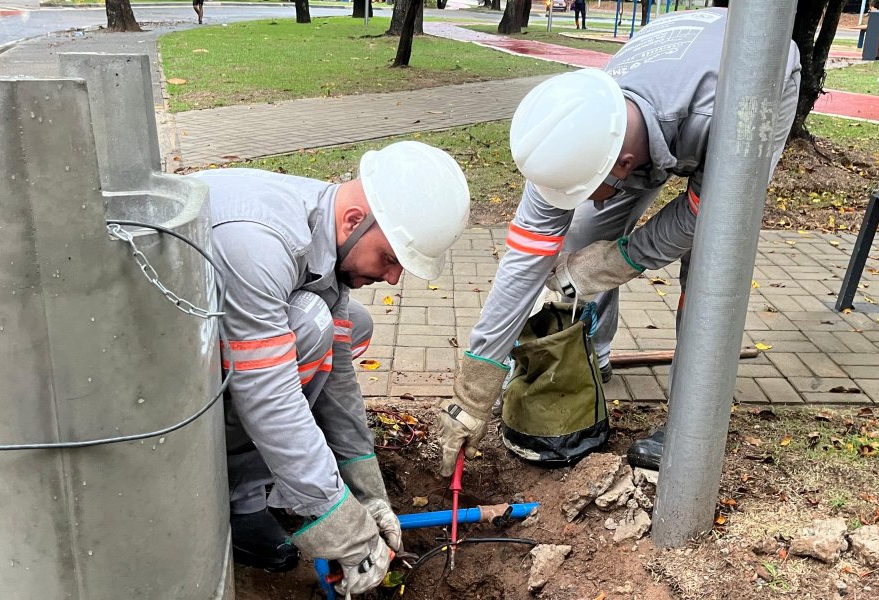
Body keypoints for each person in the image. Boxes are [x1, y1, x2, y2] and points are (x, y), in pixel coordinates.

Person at [435, 6, 801, 477]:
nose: (571, 199)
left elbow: (704, 214)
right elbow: (523, 260)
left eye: (583, 188)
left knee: (711, 259)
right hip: (661, 78)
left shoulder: (723, 115)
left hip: (753, 81)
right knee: (586, 233)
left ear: (624, 164)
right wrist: (475, 388)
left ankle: (692, 423)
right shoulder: (576, 132)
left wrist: (615, 262)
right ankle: (592, 359)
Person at [193, 141, 470, 597]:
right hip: (146, 379)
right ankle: (239, 502)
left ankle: (285, 477)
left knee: (350, 326)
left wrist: (365, 489)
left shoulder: (327, 232)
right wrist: (340, 524)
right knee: (309, 326)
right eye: (390, 258)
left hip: (203, 345)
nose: (394, 278)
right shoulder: (259, 243)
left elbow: (338, 377)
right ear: (355, 221)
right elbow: (269, 394)